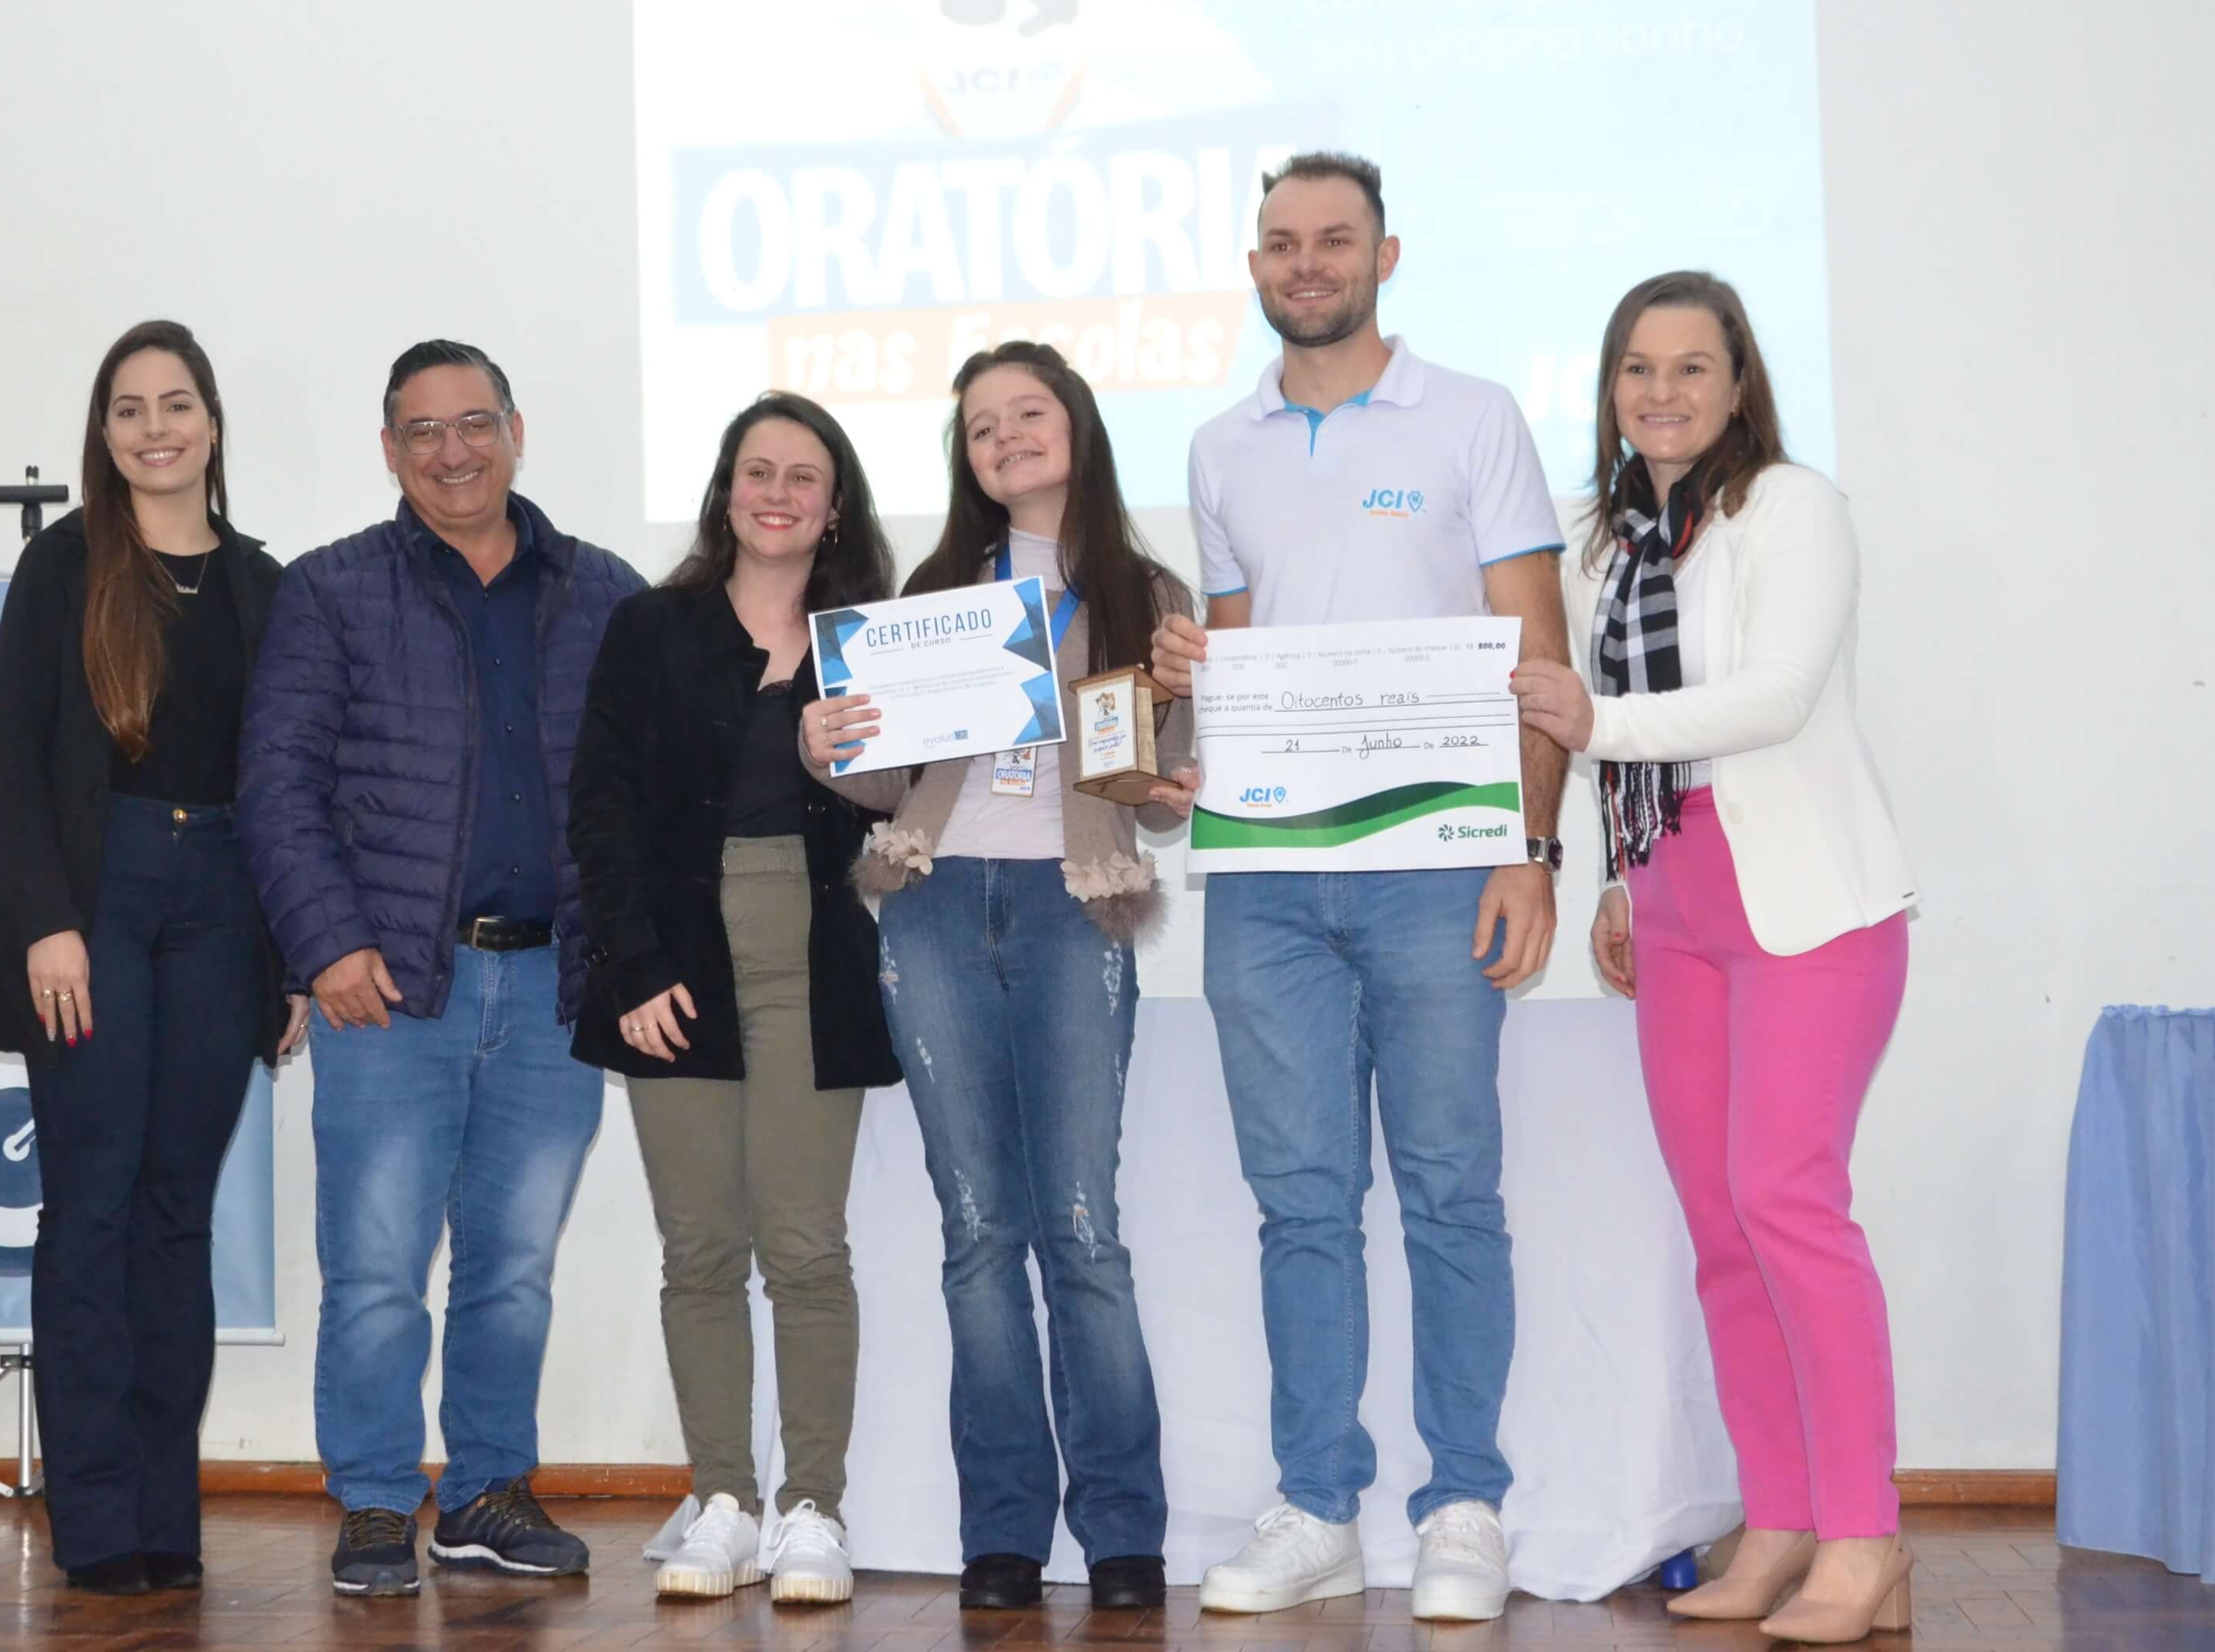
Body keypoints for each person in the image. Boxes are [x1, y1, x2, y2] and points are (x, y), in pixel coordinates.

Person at [1150, 153, 1571, 1622]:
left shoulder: (1474, 417)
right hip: (1270, 885)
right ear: (1256, 264)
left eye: (1334, 240)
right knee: (1302, 1203)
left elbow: (1536, 656)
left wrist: (1532, 847)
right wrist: (1187, 678)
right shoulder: (1220, 450)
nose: (1306, 262)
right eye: (1280, 242)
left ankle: (1463, 1501)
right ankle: (1316, 1502)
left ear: (1388, 255)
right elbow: (1242, 665)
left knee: (1454, 1191)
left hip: (1442, 868)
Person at [1509, 271, 1918, 1645]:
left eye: (1694, 368)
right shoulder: (1605, 540)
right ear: (1611, 388)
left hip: (1806, 903)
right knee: (1725, 1234)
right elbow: (1623, 724)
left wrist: (1591, 724)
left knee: (1786, 1204)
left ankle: (1867, 1539)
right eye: (1638, 369)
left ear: (1740, 385)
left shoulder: (1794, 507)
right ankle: (1783, 1520)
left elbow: (1775, 695)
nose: (1663, 394)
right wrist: (1624, 877)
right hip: (1675, 905)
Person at [235, 340, 645, 1599]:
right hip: (391, 989)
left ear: (516, 431)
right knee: (374, 1271)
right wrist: (327, 945)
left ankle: (482, 1495)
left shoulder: (606, 593)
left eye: (475, 424)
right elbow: (278, 784)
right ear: (389, 450)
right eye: (424, 432)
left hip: (549, 993)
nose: (453, 451)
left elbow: (632, 796)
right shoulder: (332, 590)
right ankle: (371, 1501)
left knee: (512, 1272)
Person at [803, 341, 1198, 1615]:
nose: (1010, 438)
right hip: (928, 908)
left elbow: (1158, 795)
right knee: (979, 1236)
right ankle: (1004, 1537)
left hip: (1073, 908)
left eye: (1031, 414)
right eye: (984, 427)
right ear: (964, 458)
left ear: (1078, 427)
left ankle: (1125, 1531)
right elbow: (877, 782)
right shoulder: (929, 590)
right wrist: (823, 741)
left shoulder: (1146, 590)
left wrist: (1183, 736)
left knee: (1083, 1230)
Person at [0, 319, 294, 1596]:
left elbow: (293, 786)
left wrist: (296, 960)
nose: (157, 428)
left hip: (223, 909)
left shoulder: (266, 584)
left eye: (178, 403)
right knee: (89, 1210)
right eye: (130, 408)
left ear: (212, 422)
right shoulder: (65, 567)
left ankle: (165, 1514)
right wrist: (48, 920)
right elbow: (7, 758)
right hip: (96, 903)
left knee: (173, 1216)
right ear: (104, 434)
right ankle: (95, 1522)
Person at [567, 394, 899, 1606]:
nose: (777, 492)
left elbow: (914, 805)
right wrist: (632, 966)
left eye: (802, 476)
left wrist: (854, 761)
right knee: (699, 1248)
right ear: (724, 490)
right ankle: (722, 1501)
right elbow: (599, 808)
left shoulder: (875, 640)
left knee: (805, 1246)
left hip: (813, 949)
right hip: (673, 959)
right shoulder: (653, 627)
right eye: (756, 471)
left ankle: (813, 1507)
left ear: (835, 502)